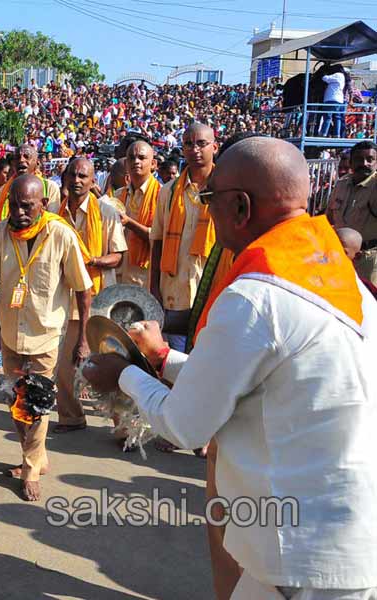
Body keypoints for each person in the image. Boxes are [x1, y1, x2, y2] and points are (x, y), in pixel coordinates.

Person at [84, 136, 377, 600]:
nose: (205, 211)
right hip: (346, 539)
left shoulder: (257, 296)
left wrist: (121, 374)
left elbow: (185, 424)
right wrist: (161, 358)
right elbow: (256, 382)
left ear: (239, 207)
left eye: (208, 200)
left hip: (299, 554)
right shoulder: (345, 284)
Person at [0, 175, 91, 501]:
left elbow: (83, 288)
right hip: (9, 333)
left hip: (46, 335)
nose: (19, 212)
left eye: (27, 206)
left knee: (36, 404)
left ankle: (30, 468)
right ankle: (37, 457)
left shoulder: (61, 234)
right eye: (14, 204)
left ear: (44, 205)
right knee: (16, 401)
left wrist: (83, 339)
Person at [52, 157, 126, 434]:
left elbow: (118, 256)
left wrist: (90, 261)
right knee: (64, 364)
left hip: (99, 300)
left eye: (83, 176)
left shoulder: (106, 212)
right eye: (72, 175)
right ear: (65, 178)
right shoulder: (54, 211)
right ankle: (71, 417)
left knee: (110, 364)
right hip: (65, 299)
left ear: (94, 181)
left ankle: (123, 427)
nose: (77, 180)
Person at [150, 122, 218, 351]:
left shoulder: (224, 190)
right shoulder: (168, 192)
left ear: (215, 147)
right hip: (173, 293)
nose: (195, 150)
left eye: (201, 143)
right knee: (176, 368)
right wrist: (155, 291)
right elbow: (157, 240)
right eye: (189, 144)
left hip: (209, 290)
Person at [326, 140, 377, 286]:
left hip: (368, 260)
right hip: (341, 257)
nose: (365, 163)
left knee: (368, 302)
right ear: (351, 162)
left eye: (370, 159)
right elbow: (329, 217)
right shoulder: (342, 184)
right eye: (359, 159)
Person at [115, 140, 160, 287]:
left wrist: (129, 223)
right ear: (126, 163)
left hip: (143, 277)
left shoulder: (162, 195)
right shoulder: (118, 195)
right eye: (131, 158)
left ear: (153, 164)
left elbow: (159, 237)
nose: (136, 162)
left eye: (141, 158)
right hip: (118, 273)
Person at [0, 145, 62, 223]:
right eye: (17, 158)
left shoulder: (50, 187)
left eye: (27, 156)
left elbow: (51, 221)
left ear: (37, 163)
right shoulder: (4, 190)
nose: (21, 160)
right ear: (13, 163)